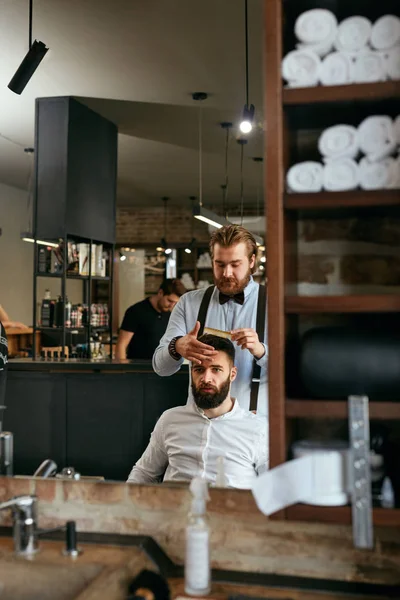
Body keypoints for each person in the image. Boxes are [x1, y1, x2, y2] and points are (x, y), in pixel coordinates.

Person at [153, 225, 268, 415]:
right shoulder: (189, 303)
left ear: (252, 261)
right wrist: (176, 347)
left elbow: (291, 369)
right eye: (220, 264)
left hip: (254, 424)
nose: (226, 273)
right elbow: (160, 368)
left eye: (235, 264)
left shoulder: (275, 305)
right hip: (199, 424)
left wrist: (261, 351)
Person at [127, 334, 268, 488]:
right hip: (176, 509)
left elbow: (273, 489)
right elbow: (144, 474)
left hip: (230, 509)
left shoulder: (258, 428)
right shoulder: (170, 420)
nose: (206, 378)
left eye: (216, 369)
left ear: (232, 374)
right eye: (199, 369)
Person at [115, 279, 186, 360]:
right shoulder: (136, 311)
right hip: (138, 368)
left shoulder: (171, 315)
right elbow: (121, 345)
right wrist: (122, 369)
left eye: (175, 303)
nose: (172, 306)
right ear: (160, 293)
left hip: (163, 368)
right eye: (169, 301)